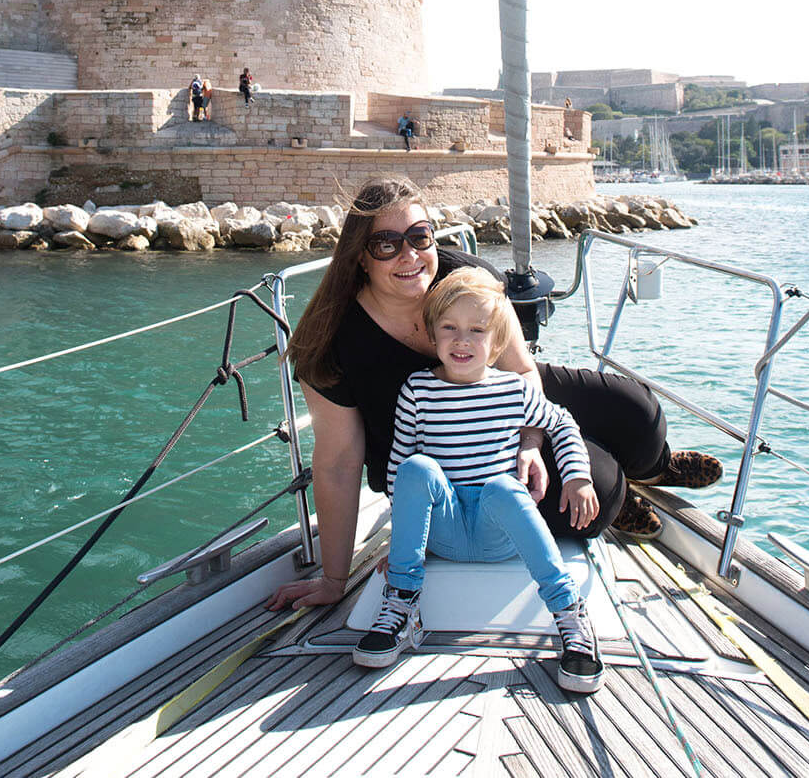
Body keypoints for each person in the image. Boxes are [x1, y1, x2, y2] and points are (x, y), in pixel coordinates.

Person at [268, 177, 721, 619]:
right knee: (599, 491)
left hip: (500, 391)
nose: (409, 255)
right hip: (446, 454)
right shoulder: (330, 341)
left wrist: (531, 443)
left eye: (419, 237)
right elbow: (338, 463)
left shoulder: (467, 277)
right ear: (360, 258)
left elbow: (521, 370)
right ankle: (623, 493)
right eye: (386, 244)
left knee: (639, 413)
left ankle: (654, 470)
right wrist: (333, 579)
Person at [354, 269, 603, 693]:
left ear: (498, 341)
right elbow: (398, 470)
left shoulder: (513, 390)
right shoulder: (418, 391)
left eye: (476, 330)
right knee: (416, 467)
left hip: (496, 532)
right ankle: (401, 600)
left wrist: (578, 477)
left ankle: (568, 613)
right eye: (449, 328)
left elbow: (562, 425)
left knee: (505, 487)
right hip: (445, 531)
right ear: (432, 335)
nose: (462, 341)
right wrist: (402, 546)